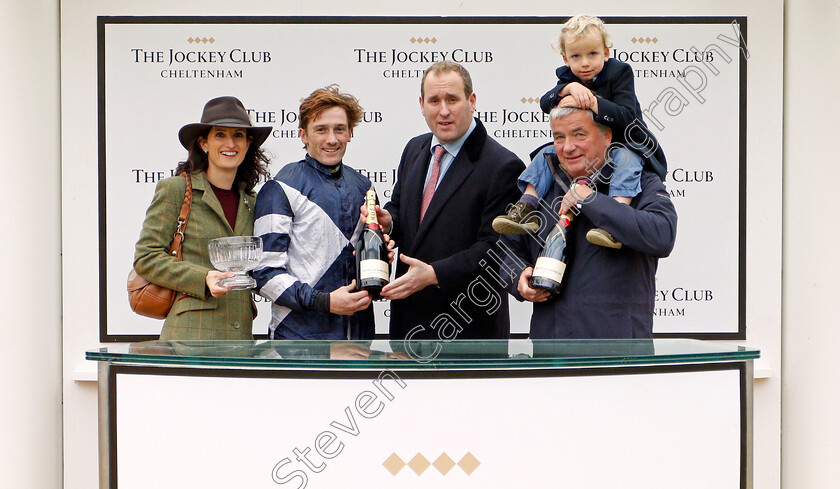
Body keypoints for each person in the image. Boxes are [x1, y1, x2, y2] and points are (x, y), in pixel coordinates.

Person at [369, 61, 525, 340]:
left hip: (468, 332)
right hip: (408, 328)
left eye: (452, 99)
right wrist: (389, 221)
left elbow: (496, 250)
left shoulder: (503, 165)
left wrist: (433, 274)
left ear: (472, 100)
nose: (443, 111)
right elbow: (404, 209)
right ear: (421, 104)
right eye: (434, 100)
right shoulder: (414, 149)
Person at [493, 15, 667, 250]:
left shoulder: (620, 72)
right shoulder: (568, 78)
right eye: (576, 56)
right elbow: (546, 103)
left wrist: (594, 103)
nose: (585, 63)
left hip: (627, 142)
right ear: (566, 58)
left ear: (606, 52)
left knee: (628, 161)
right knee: (546, 154)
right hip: (594, 144)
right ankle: (527, 206)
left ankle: (615, 219)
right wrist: (567, 88)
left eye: (592, 54)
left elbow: (628, 117)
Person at [502, 106, 677, 338]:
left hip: (618, 355)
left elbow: (662, 235)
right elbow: (507, 250)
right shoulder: (542, 189)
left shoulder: (640, 182)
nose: (568, 147)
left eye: (579, 135)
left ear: (607, 136)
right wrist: (518, 277)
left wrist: (591, 201)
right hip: (551, 351)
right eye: (559, 137)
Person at [253, 85, 387, 340]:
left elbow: (369, 266)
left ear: (350, 133)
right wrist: (324, 302)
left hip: (358, 337)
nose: (331, 139)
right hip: (298, 341)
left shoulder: (365, 187)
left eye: (339, 129)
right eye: (321, 130)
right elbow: (264, 274)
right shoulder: (279, 187)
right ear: (303, 135)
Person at [134, 96, 272, 340]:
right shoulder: (176, 189)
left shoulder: (253, 200)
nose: (230, 143)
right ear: (204, 143)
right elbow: (147, 258)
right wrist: (203, 277)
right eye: (220, 134)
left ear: (248, 143)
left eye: (238, 135)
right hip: (189, 337)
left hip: (241, 339)